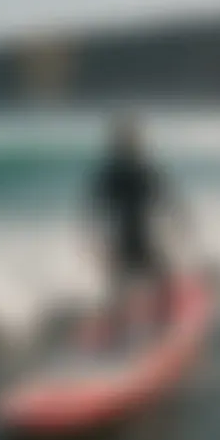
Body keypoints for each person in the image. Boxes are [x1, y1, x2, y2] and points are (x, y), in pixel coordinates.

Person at [86, 112, 186, 344]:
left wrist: (94, 240)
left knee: (120, 288)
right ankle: (162, 332)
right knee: (162, 281)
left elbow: (93, 211)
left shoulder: (110, 174)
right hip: (139, 237)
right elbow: (169, 202)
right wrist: (181, 225)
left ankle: (117, 335)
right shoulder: (141, 171)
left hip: (121, 238)